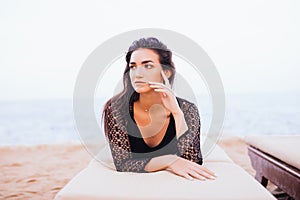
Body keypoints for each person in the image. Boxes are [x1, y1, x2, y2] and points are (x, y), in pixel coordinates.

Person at [102, 37, 217, 181]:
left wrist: (176, 112)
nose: (137, 74)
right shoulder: (116, 110)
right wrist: (169, 160)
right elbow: (123, 164)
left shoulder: (187, 110)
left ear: (166, 72)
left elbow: (192, 160)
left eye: (148, 66)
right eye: (133, 66)